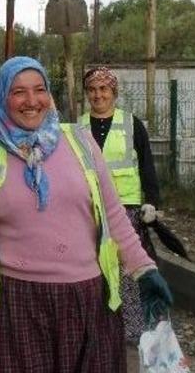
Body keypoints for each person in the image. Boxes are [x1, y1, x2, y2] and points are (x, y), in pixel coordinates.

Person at [0, 56, 174, 372]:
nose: (31, 101)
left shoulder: (80, 142)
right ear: (1, 98)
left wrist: (144, 270)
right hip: (17, 303)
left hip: (89, 300)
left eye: (39, 89)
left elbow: (113, 215)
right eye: (18, 92)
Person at [80, 66, 175, 343]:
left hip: (127, 208)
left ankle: (132, 329)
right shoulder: (78, 126)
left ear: (114, 93)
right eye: (93, 90)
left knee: (127, 269)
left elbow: (147, 165)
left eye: (103, 90)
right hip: (91, 208)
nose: (98, 95)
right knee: (95, 268)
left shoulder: (131, 124)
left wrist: (152, 203)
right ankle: (99, 326)